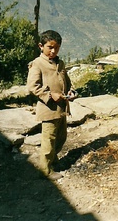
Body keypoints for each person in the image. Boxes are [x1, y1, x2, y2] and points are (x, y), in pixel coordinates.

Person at [27, 30, 77, 180]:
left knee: (61, 137)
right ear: (41, 46)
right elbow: (32, 86)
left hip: (61, 109)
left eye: (57, 47)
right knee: (48, 140)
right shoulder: (37, 64)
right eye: (50, 47)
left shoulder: (60, 63)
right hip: (48, 110)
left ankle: (53, 161)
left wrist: (71, 91)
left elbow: (67, 82)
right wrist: (50, 95)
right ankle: (45, 170)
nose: (53, 51)